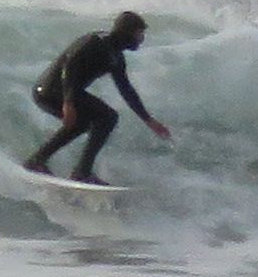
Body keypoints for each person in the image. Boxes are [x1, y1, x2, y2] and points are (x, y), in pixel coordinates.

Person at [26, 11, 173, 180]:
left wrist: (149, 120)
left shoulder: (116, 57)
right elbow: (70, 66)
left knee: (85, 123)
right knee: (107, 117)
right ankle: (81, 172)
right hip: (50, 92)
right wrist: (68, 102)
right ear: (127, 32)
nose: (142, 39)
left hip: (62, 94)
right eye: (139, 33)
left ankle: (38, 161)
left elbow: (126, 90)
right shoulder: (95, 43)